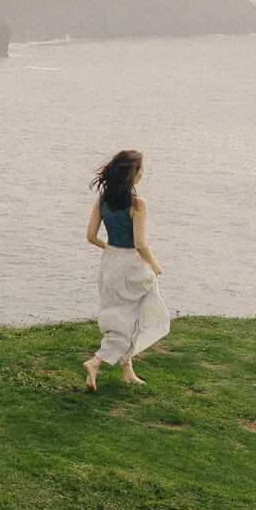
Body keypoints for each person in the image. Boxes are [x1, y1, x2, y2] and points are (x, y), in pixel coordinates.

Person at [83, 149, 169, 390]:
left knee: (119, 315)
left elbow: (91, 236)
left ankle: (127, 370)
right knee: (133, 318)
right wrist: (154, 264)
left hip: (109, 264)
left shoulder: (102, 200)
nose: (143, 174)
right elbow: (140, 244)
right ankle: (96, 362)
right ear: (133, 174)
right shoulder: (137, 204)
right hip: (132, 265)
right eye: (141, 170)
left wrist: (111, 250)